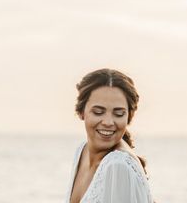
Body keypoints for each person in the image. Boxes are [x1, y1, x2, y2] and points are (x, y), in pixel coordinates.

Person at [65, 68, 154, 203]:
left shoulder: (118, 166)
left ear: (129, 117)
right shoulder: (82, 151)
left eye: (118, 114)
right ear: (81, 112)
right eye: (98, 112)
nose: (108, 122)